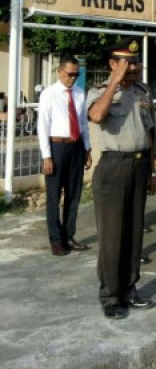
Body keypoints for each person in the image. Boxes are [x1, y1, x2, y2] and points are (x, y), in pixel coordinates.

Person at [87, 38, 156, 319]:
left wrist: (152, 170)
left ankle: (129, 288)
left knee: (134, 231)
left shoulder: (143, 91)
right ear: (113, 64)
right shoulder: (100, 91)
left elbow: (150, 132)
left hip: (140, 166)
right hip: (113, 168)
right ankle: (110, 295)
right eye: (126, 64)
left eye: (135, 63)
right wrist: (114, 83)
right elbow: (96, 115)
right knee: (113, 234)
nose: (133, 68)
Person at [37, 55, 92, 256]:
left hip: (75, 147)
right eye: (70, 74)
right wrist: (47, 156)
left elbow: (84, 123)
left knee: (74, 195)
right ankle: (56, 239)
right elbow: (42, 126)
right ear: (60, 71)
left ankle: (68, 235)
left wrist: (87, 149)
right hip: (56, 147)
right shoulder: (49, 94)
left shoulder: (79, 93)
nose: (73, 79)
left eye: (76, 75)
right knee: (54, 196)